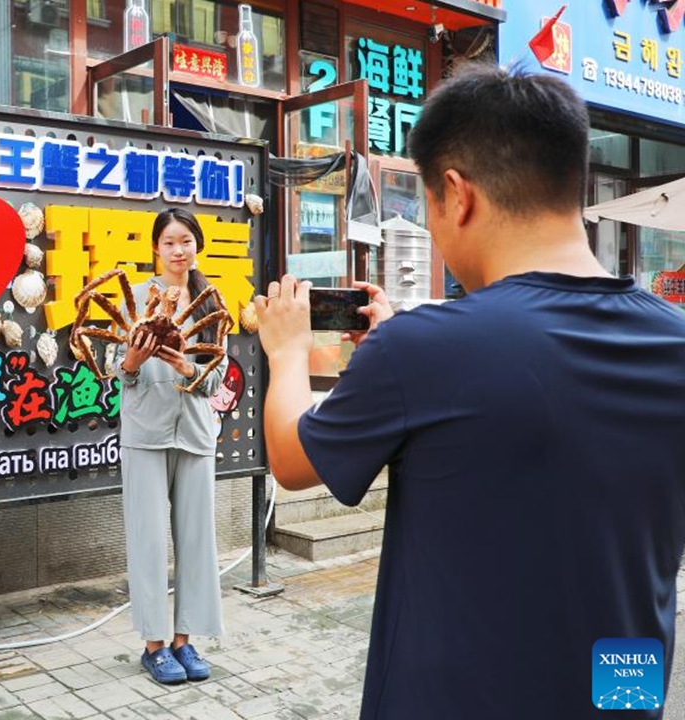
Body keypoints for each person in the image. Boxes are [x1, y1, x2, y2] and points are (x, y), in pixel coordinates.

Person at [256, 65, 685, 719]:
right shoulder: (674, 341)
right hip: (620, 694)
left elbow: (289, 458)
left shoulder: (423, 351)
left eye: (428, 210)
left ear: (457, 195)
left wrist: (286, 351)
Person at [113, 207, 228, 685]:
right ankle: (154, 645)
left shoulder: (211, 302)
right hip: (145, 431)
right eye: (169, 242)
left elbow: (219, 376)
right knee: (148, 538)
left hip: (196, 431)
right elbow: (113, 372)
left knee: (198, 539)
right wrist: (133, 362)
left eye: (186, 241)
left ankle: (186, 639)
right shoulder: (135, 299)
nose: (178, 250)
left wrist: (188, 369)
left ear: (196, 245)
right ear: (155, 249)